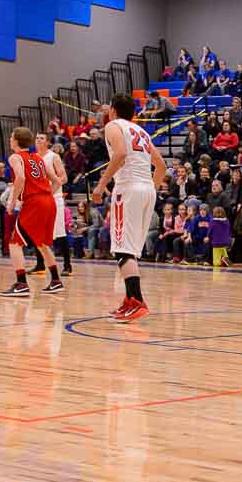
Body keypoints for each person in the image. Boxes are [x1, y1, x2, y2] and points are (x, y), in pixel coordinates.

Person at [93, 94, 166, 320]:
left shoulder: (113, 126)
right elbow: (161, 166)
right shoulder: (141, 131)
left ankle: (137, 301)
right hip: (147, 189)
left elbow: (121, 154)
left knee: (122, 248)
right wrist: (150, 189)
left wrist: (100, 185)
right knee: (131, 248)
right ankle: (129, 300)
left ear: (113, 110)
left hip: (128, 188)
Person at [0, 127, 64, 299]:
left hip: (34, 203)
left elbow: (20, 177)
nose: (9, 139)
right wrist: (47, 194)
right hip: (49, 201)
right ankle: (56, 281)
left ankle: (21, 284)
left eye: (11, 136)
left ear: (16, 140)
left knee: (14, 243)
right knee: (42, 243)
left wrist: (12, 202)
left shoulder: (15, 157)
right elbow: (58, 181)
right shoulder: (38, 158)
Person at [35, 134, 74, 275]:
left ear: (48, 142)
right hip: (38, 199)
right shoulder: (33, 158)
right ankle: (40, 265)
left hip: (54, 197)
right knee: (37, 232)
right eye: (37, 138)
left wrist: (50, 192)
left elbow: (63, 178)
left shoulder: (53, 157)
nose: (38, 140)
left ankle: (67, 266)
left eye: (41, 138)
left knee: (59, 232)